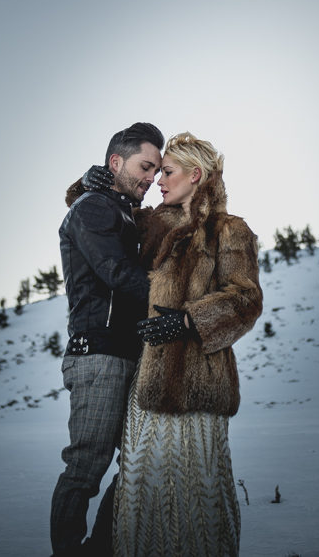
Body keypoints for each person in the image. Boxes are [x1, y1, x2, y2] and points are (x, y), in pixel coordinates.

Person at [112, 132, 263, 556]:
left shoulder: (229, 231)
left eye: (168, 172)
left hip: (197, 386)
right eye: (157, 172)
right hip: (147, 386)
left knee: (198, 501)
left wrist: (189, 320)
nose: (159, 180)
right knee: (141, 495)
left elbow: (247, 298)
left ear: (196, 176)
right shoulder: (155, 226)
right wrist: (93, 185)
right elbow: (110, 218)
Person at [50, 122, 164, 557]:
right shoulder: (94, 208)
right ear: (115, 162)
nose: (151, 178)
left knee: (136, 463)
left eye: (156, 170)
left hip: (130, 355)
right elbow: (115, 271)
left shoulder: (119, 209)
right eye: (144, 166)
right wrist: (177, 298)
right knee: (86, 467)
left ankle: (100, 548)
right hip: (98, 356)